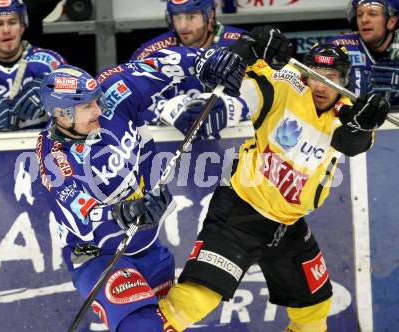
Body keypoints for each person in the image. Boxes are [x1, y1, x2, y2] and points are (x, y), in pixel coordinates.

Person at [157, 27, 390, 332]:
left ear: (344, 82)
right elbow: (230, 74)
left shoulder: (348, 114)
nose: (322, 86)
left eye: (332, 79)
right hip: (240, 213)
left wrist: (364, 125)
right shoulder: (283, 87)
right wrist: (251, 46)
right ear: (305, 75)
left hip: (288, 226)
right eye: (316, 76)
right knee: (194, 300)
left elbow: (353, 143)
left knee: (314, 311)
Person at [36, 45, 246, 331]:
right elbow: (83, 220)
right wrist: (127, 211)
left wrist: (204, 60)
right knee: (144, 327)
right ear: (61, 114)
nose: (98, 109)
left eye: (96, 100)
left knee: (167, 325)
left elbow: (161, 65)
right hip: (100, 258)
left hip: (148, 247)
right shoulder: (55, 157)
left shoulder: (113, 94)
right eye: (86, 106)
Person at [129, 0, 250, 133]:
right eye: (177, 17)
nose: (182, 26)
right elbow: (128, 97)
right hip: (170, 143)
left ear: (209, 16)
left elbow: (270, 89)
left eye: (191, 16)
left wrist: (234, 107)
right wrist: (167, 109)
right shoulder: (151, 52)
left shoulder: (241, 44)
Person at [0, 0, 66, 132]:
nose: (6, 30)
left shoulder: (50, 63)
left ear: (23, 25)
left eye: (12, 22)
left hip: (39, 150)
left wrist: (53, 88)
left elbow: (86, 101)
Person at [328, 0, 399, 105]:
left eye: (372, 14)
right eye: (359, 15)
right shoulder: (338, 47)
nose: (364, 20)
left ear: (391, 21)